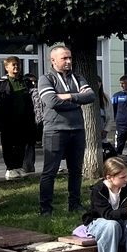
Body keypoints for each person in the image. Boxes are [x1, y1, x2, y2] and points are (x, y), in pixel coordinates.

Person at [38, 46, 95, 215]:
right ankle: (45, 208)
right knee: (50, 171)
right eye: (64, 58)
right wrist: (77, 99)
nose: (69, 61)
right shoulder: (46, 79)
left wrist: (69, 96)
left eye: (70, 58)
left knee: (76, 170)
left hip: (77, 129)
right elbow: (52, 102)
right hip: (55, 130)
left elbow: (91, 96)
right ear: (53, 60)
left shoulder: (78, 77)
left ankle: (75, 204)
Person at [0, 57, 38, 179]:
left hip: (24, 119)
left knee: (22, 143)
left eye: (18, 65)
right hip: (8, 120)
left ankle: (19, 166)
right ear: (6, 67)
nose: (16, 67)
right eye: (13, 65)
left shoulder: (25, 81)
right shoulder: (2, 82)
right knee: (8, 144)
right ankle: (10, 167)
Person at [110, 75, 127, 161]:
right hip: (121, 125)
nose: (121, 85)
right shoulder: (117, 96)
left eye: (123, 83)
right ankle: (117, 160)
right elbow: (113, 109)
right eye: (120, 83)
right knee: (119, 145)